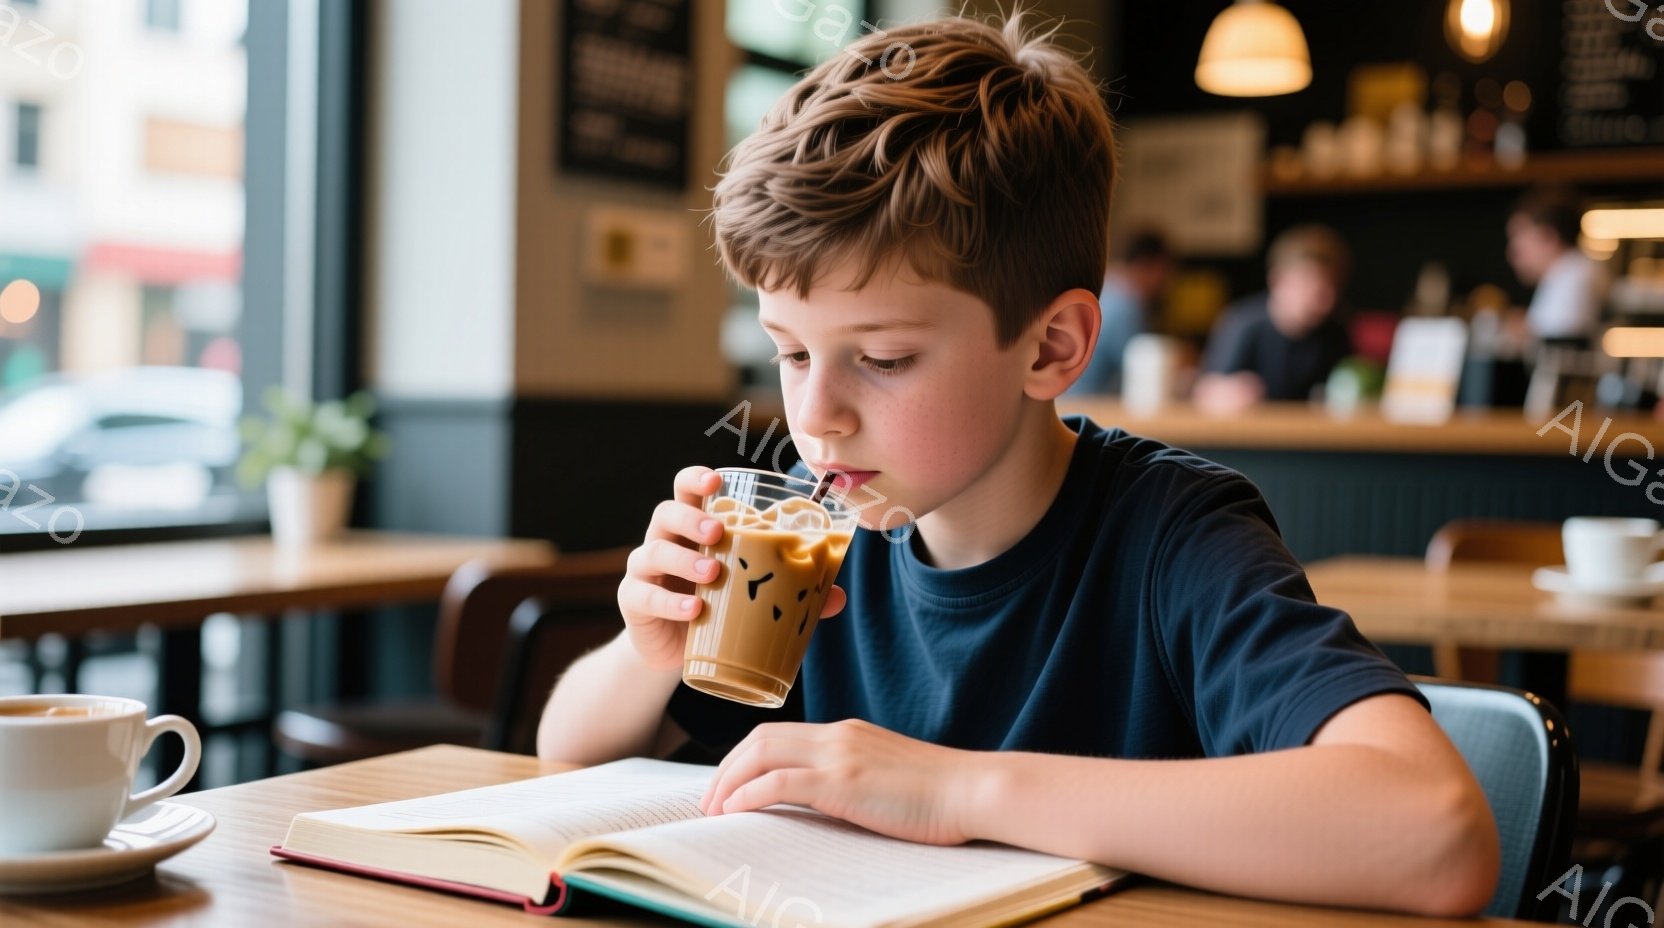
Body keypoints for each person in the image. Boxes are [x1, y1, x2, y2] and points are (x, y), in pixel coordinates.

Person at [537, 13, 1497, 917]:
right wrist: (647, 653)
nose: (814, 415)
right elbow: (567, 752)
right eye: (791, 352)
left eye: (883, 359)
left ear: (1051, 348)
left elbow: (1437, 832)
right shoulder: (811, 539)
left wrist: (955, 788)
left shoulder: (1173, 535)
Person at [1194, 225, 1354, 415]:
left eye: (1332, 288)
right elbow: (1204, 391)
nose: (1326, 301)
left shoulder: (1335, 330)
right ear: (1278, 281)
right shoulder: (1243, 324)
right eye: (1312, 287)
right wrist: (1224, 393)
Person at [1066, 230, 1174, 395]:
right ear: (1144, 265)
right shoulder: (1125, 306)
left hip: (1066, 402)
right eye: (1164, 270)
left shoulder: (1103, 290)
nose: (1167, 282)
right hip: (1089, 406)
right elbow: (1144, 369)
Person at [1506, 187, 1606, 342]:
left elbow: (1559, 343)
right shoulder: (1564, 272)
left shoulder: (1575, 276)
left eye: (1520, 240)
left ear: (1549, 237)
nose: (1513, 254)